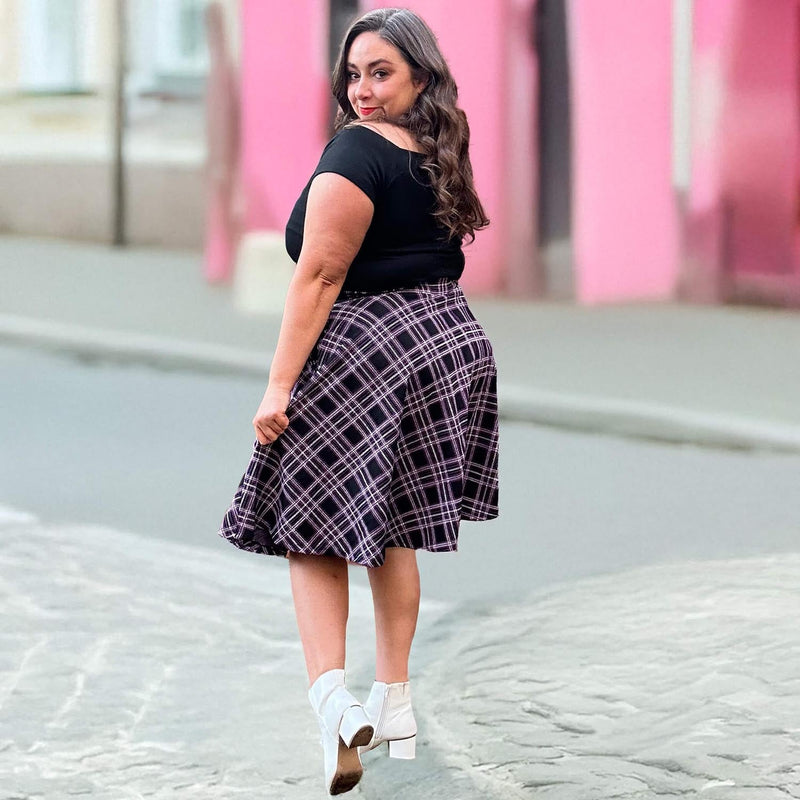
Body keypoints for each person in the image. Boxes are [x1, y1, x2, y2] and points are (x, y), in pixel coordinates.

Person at [219, 7, 499, 795]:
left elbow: (320, 275)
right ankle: (394, 703)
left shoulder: (356, 149)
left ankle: (333, 705)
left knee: (309, 527)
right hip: (447, 341)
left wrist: (279, 385)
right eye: (353, 74)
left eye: (381, 72)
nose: (362, 89)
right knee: (392, 526)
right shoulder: (440, 144)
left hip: (369, 346)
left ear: (419, 76)